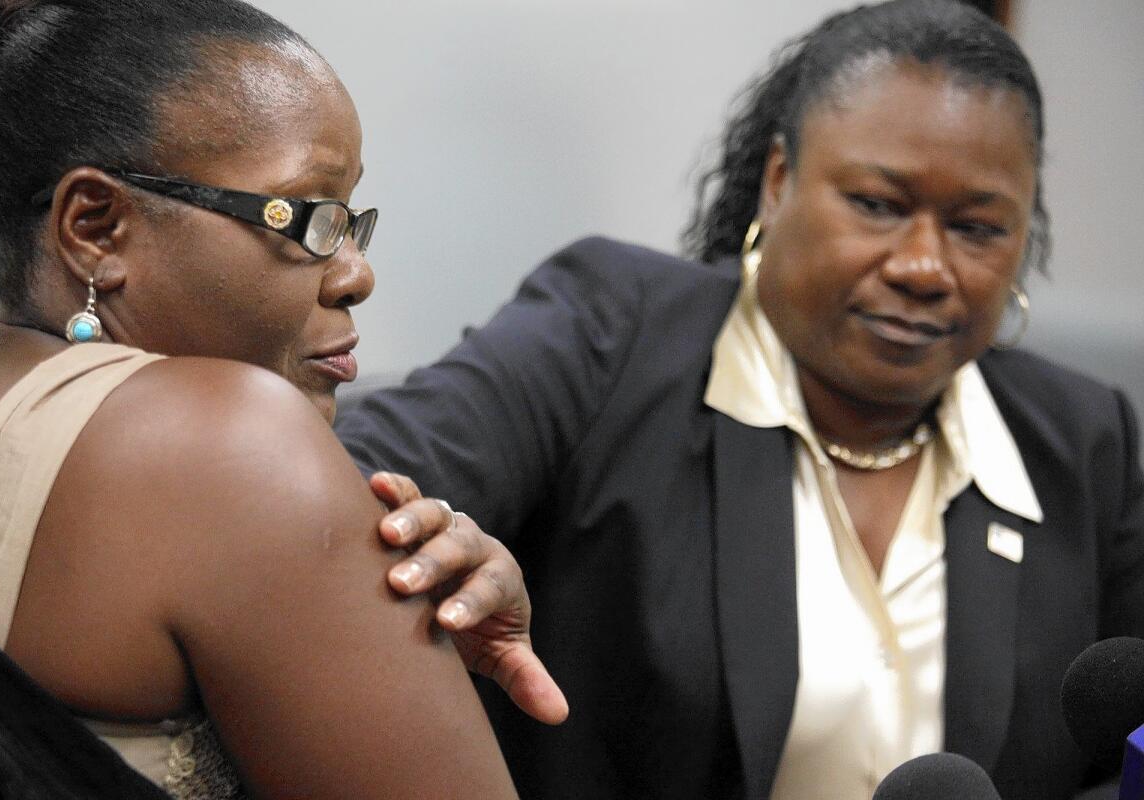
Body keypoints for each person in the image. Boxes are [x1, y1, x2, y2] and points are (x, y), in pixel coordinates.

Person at [336, 1, 1144, 798]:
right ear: (779, 179)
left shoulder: (1085, 440)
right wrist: (441, 537)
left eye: (976, 227)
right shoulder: (610, 332)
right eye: (878, 205)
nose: (924, 267)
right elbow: (342, 479)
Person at [0, 0, 566, 797]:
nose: (355, 274)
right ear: (95, 226)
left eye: (351, 223)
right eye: (307, 218)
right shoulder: (234, 443)